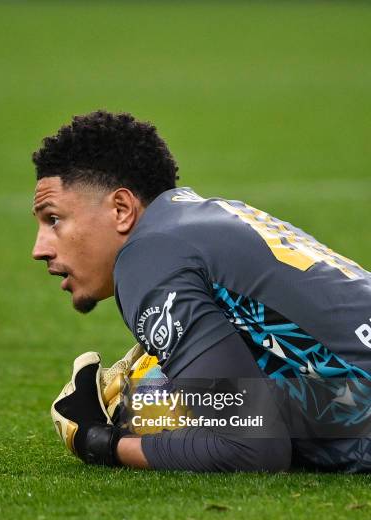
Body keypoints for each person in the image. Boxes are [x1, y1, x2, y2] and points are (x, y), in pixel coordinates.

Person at [31, 110, 371, 473]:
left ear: (121, 209)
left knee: (150, 402)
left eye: (53, 219)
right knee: (166, 396)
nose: (39, 248)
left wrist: (101, 442)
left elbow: (251, 448)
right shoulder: (208, 217)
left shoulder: (148, 256)